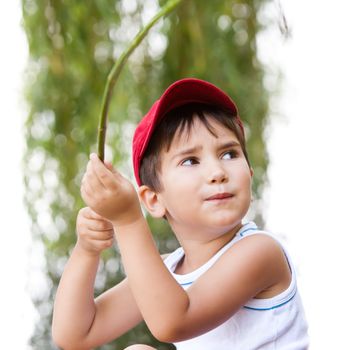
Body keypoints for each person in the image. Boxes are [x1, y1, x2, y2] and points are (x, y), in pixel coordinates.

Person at [52, 78, 309, 349]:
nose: (217, 173)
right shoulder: (166, 272)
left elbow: (173, 321)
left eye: (229, 154)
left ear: (249, 174)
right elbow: (75, 335)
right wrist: (87, 251)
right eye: (190, 161)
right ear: (153, 199)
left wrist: (127, 220)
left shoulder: (260, 251)